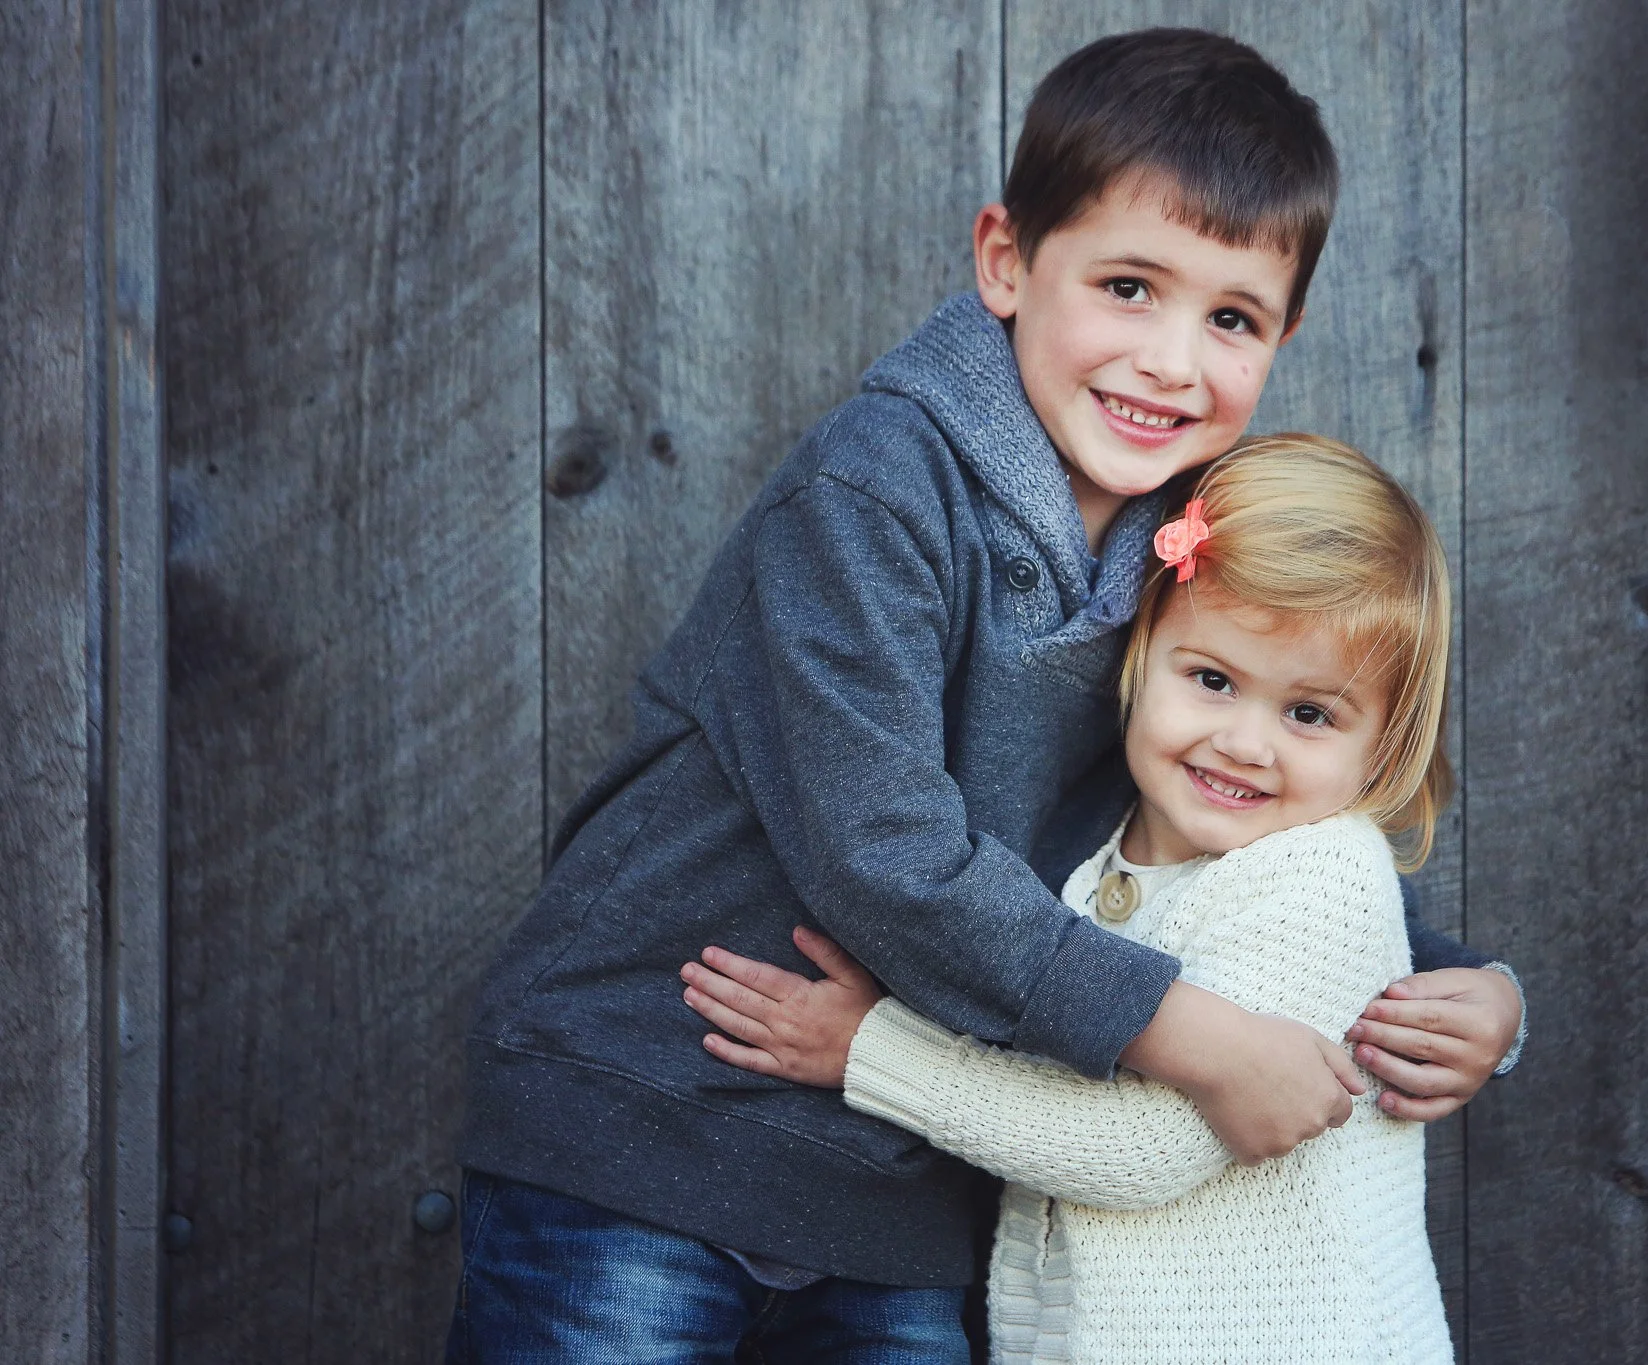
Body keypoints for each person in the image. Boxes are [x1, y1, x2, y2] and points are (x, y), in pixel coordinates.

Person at [448, 29, 1521, 1364]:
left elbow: (1251, 826)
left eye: (1230, 318)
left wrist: (1453, 989)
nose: (1173, 362)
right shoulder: (878, 487)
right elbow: (879, 849)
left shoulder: (1202, 545)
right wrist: (1186, 1031)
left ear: (1284, 333)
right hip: (650, 1117)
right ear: (1007, 261)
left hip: (904, 1187)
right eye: (1129, 286)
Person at [682, 435, 1463, 1362]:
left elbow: (1141, 1150)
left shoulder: (1321, 872)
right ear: (1142, 656)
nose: (1246, 742)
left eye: (1309, 714)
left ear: (1384, 741)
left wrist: (872, 1049)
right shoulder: (1095, 858)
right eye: (1211, 680)